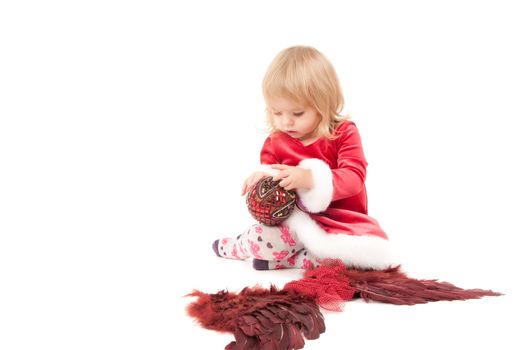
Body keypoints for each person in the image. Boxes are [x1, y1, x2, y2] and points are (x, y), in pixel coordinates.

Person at [213, 46, 398, 271]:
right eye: (276, 112)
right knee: (262, 236)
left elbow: (354, 177)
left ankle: (290, 260)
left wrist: (311, 179)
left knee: (363, 259)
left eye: (297, 113)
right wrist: (264, 178)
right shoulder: (276, 141)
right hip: (296, 222)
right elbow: (272, 176)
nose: (285, 122)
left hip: (342, 223)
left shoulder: (344, 133)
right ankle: (240, 246)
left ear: (324, 104)